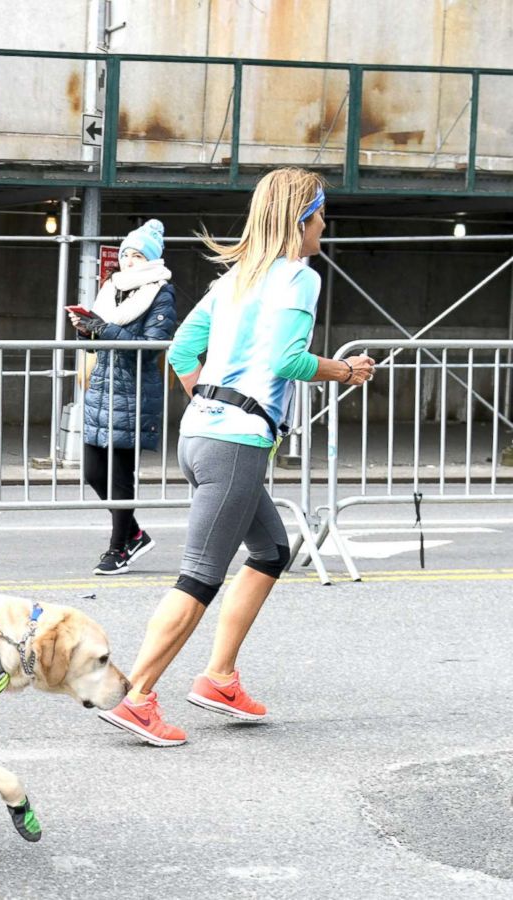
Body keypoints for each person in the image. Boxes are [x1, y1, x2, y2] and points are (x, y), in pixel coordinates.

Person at [98, 168, 375, 747]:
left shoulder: (235, 280)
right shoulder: (299, 278)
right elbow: (286, 360)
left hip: (202, 436)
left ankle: (219, 677)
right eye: (322, 213)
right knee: (199, 577)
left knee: (272, 550)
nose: (326, 224)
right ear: (303, 218)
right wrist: (345, 371)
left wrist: (208, 401)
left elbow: (181, 351)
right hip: (235, 445)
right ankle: (138, 697)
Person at [69, 218, 177, 575]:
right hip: (102, 390)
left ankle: (118, 548)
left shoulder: (160, 292)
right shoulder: (112, 289)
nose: (129, 260)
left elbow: (150, 348)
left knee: (119, 478)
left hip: (133, 394)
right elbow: (100, 346)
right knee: (92, 472)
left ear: (151, 259)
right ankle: (134, 534)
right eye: (126, 254)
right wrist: (87, 331)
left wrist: (104, 328)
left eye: (137, 255)